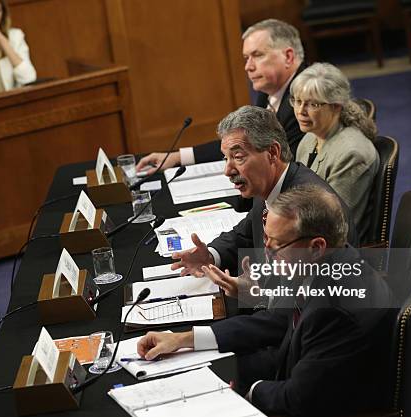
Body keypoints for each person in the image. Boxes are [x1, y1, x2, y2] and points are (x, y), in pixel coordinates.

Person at [137, 185, 394, 416]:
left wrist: (246, 392)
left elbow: (297, 400)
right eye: (266, 238)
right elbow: (278, 322)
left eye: (277, 244)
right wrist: (183, 339)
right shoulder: (324, 262)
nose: (267, 252)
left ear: (316, 246)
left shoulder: (332, 309)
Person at [171, 105, 357, 279]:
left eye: (238, 157)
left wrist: (253, 293)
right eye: (225, 158)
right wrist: (210, 255)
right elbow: (245, 234)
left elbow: (312, 294)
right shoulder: (269, 185)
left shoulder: (306, 207)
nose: (228, 170)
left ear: (273, 153)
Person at [136, 19, 306, 175]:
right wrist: (177, 157)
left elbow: (283, 165)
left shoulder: (304, 99)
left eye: (258, 55)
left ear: (288, 57)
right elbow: (243, 141)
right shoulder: (267, 92)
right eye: (246, 58)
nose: (248, 67)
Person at [291, 63, 379, 239]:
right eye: (298, 101)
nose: (301, 111)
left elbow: (332, 224)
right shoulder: (310, 138)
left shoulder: (352, 154)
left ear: (336, 106)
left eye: (313, 104)